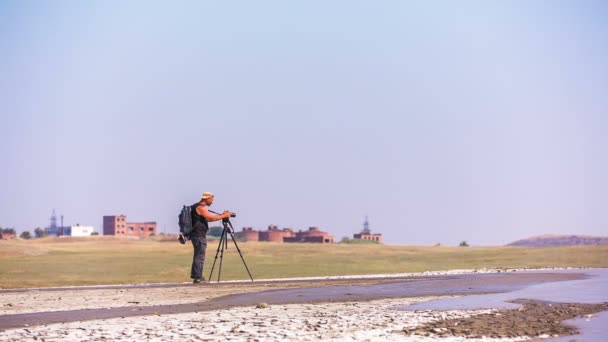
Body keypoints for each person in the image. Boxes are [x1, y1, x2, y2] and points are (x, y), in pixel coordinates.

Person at [190, 192, 231, 283]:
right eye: (211, 200)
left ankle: (196, 276)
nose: (212, 202)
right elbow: (212, 218)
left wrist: (221, 215)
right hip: (198, 235)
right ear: (207, 198)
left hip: (197, 235)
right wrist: (224, 216)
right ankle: (197, 277)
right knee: (200, 256)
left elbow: (208, 219)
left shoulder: (196, 207)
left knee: (199, 255)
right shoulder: (200, 207)